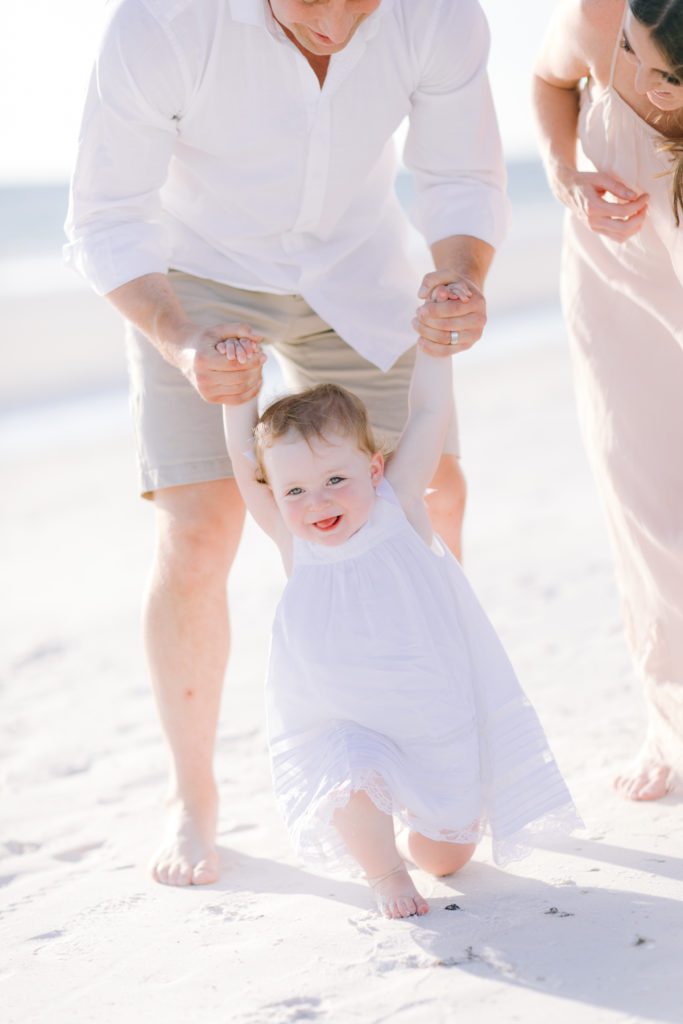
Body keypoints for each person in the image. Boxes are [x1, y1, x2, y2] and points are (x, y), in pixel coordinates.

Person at [64, 0, 509, 885]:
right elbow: (107, 216)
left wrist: (459, 281)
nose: (339, 25)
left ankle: (450, 743)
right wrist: (183, 341)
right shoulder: (161, 24)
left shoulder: (440, 15)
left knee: (430, 497)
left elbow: (459, 177)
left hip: (357, 263)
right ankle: (191, 799)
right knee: (198, 529)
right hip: (192, 276)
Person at [221, 306, 580, 919]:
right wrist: (237, 398)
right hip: (342, 710)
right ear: (276, 494)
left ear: (375, 468)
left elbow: (430, 415)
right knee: (349, 773)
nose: (317, 502)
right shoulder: (293, 541)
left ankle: (424, 839)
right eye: (295, 491)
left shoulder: (398, 506)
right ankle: (384, 873)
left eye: (335, 478)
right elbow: (242, 463)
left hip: (427, 706)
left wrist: (433, 349)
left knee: (447, 856)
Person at [533, 0, 683, 800]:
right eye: (640, 62)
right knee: (646, 508)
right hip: (614, 294)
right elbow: (546, 80)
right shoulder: (598, 19)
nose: (650, 90)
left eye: (671, 80)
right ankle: (671, 723)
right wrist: (565, 177)